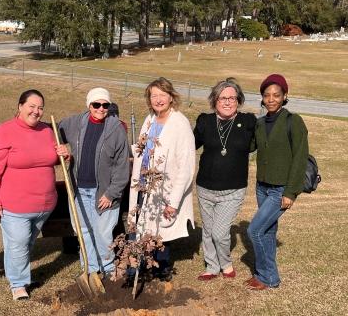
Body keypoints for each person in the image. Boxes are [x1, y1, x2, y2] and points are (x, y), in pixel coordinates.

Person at [0, 89, 68, 300]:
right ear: (20, 106)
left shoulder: (48, 131)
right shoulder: (5, 131)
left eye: (40, 108)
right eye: (31, 106)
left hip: (45, 204)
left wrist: (64, 155)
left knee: (25, 244)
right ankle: (18, 284)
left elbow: (53, 159)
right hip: (15, 205)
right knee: (19, 243)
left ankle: (19, 273)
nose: (36, 111)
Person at [128, 77, 196, 280]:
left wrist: (173, 202)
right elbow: (144, 148)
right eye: (153, 95)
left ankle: (161, 271)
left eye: (162, 95)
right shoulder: (150, 119)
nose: (158, 99)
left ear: (171, 96)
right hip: (143, 184)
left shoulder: (180, 124)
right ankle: (135, 271)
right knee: (138, 225)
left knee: (160, 231)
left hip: (164, 188)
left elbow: (186, 166)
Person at [58, 87, 129, 277]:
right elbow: (55, 132)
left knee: (103, 234)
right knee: (84, 231)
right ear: (89, 105)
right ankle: (90, 269)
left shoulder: (116, 129)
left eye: (105, 105)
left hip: (103, 193)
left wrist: (111, 194)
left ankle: (107, 270)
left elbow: (122, 167)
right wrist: (63, 149)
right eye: (96, 104)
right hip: (79, 191)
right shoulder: (75, 123)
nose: (101, 108)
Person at [246, 74, 309, 290]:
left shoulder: (294, 121)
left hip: (280, 189)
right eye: (267, 95)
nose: (271, 99)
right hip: (262, 186)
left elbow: (300, 157)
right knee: (268, 231)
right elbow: (251, 146)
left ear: (284, 96)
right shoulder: (260, 123)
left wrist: (290, 192)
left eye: (276, 95)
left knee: (254, 231)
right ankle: (265, 275)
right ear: (262, 98)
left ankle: (268, 277)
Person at [193, 78, 256, 281]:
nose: (227, 102)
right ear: (214, 100)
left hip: (233, 190)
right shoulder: (205, 121)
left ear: (238, 100)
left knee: (219, 233)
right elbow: (188, 145)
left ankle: (226, 263)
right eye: (223, 98)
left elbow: (265, 143)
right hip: (205, 188)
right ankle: (212, 266)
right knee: (208, 231)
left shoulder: (248, 122)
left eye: (232, 98)